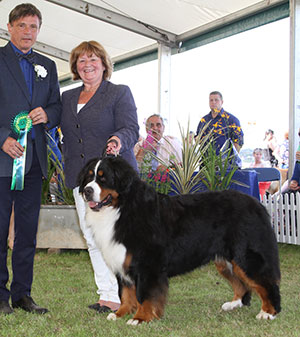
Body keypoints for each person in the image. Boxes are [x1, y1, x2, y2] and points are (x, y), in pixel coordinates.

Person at [60, 41, 139, 313]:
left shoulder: (118, 93)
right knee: (93, 237)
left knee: (123, 239)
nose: (87, 64)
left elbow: (130, 127)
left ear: (104, 64)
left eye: (93, 59)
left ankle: (132, 293)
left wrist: (118, 139)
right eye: (81, 60)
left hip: (113, 182)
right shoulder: (67, 98)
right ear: (75, 67)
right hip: (82, 181)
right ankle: (107, 295)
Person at [0, 3, 61, 315]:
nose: (28, 32)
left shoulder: (48, 66)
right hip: (2, 163)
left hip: (34, 163)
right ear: (10, 27)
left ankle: (22, 295)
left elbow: (57, 106)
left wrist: (46, 114)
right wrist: (3, 138)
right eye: (22, 25)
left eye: (34, 27)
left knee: (27, 233)